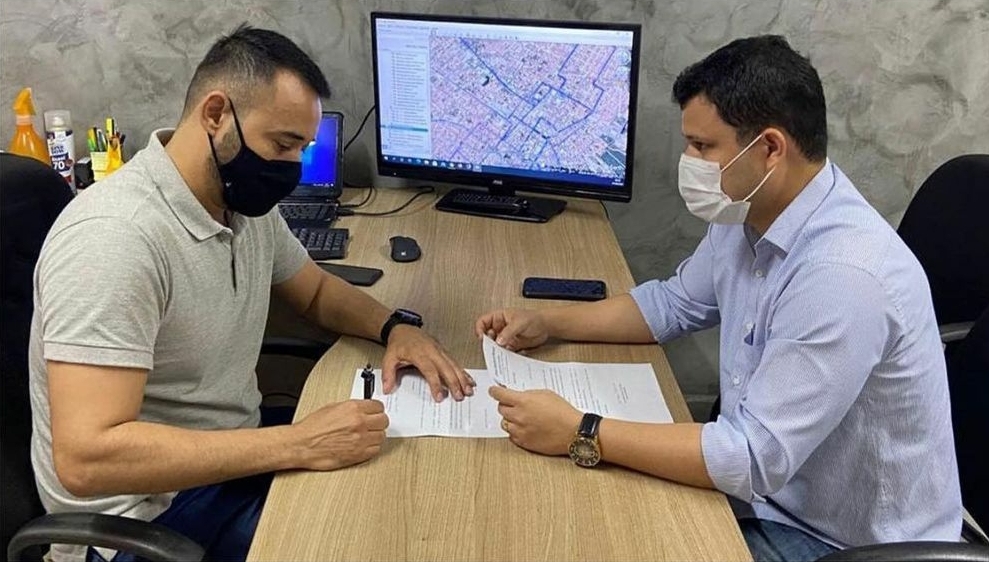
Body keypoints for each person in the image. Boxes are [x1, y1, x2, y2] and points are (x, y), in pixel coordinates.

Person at [477, 35, 962, 561]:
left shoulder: (842, 275)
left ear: (770, 148)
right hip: (769, 492)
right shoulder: (750, 209)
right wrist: (549, 323)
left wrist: (580, 430)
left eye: (703, 147)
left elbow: (751, 457)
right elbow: (672, 305)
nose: (689, 161)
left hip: (838, 540)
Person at [30, 25, 475, 562]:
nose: (291, 167)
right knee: (366, 538)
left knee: (401, 481)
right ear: (216, 114)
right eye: (282, 144)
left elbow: (315, 292)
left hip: (225, 461)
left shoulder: (238, 205)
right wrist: (297, 443)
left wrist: (395, 328)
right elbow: (85, 460)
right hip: (138, 521)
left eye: (302, 149)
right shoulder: (114, 239)